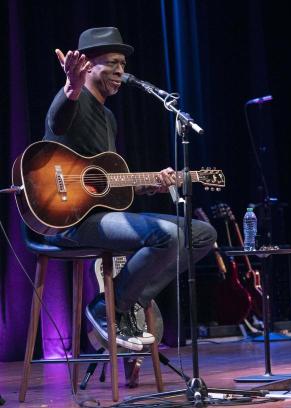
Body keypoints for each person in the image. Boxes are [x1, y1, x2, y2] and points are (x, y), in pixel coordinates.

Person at [42, 27, 217, 350]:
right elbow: (56, 123)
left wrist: (150, 185)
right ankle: (107, 308)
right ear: (88, 66)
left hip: (101, 214)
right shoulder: (73, 99)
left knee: (202, 234)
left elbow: (106, 183)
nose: (120, 70)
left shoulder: (108, 117)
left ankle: (122, 302)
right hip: (70, 221)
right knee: (166, 235)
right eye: (111, 62)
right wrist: (70, 87)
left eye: (122, 63)